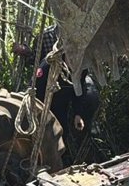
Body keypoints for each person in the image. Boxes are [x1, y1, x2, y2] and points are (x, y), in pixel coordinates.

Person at [15, 26, 101, 165]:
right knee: (43, 134)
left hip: (63, 101)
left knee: (62, 131)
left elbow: (79, 89)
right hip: (46, 103)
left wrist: (78, 114)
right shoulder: (48, 65)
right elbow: (34, 87)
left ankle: (61, 159)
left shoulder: (81, 67)